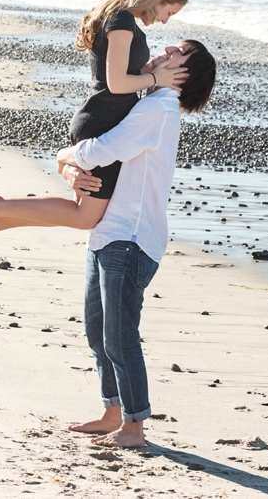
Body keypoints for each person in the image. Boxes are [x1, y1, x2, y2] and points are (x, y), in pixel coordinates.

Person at [0, 0, 189, 243]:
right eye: (169, 12)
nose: (164, 21)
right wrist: (154, 77)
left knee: (84, 214)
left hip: (101, 117)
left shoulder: (120, 19)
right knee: (84, 216)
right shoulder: (122, 20)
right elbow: (116, 83)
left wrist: (153, 69)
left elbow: (122, 74)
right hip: (102, 120)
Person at [60, 41, 217, 447]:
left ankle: (134, 427)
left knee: (119, 335)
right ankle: (113, 412)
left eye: (180, 50)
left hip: (130, 237)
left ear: (183, 75)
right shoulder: (148, 104)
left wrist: (64, 156)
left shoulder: (156, 109)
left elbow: (101, 151)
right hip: (110, 231)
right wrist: (70, 167)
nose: (167, 47)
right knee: (98, 331)